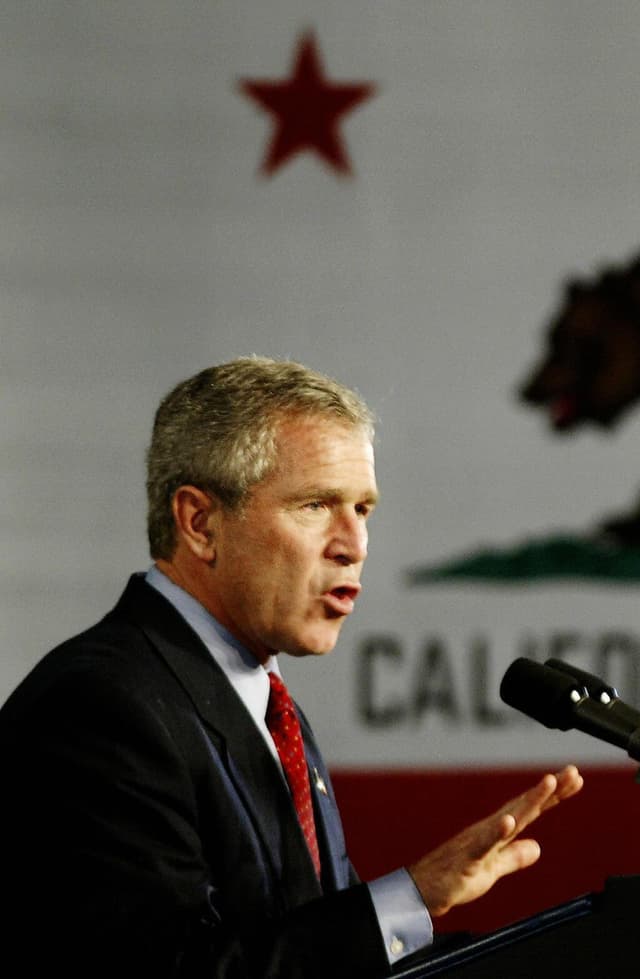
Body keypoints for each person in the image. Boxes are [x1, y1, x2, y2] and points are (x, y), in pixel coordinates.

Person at [0, 356, 584, 978]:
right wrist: (409, 899)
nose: (354, 543)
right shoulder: (103, 704)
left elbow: (306, 950)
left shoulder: (269, 710)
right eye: (315, 505)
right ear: (200, 523)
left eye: (363, 509)